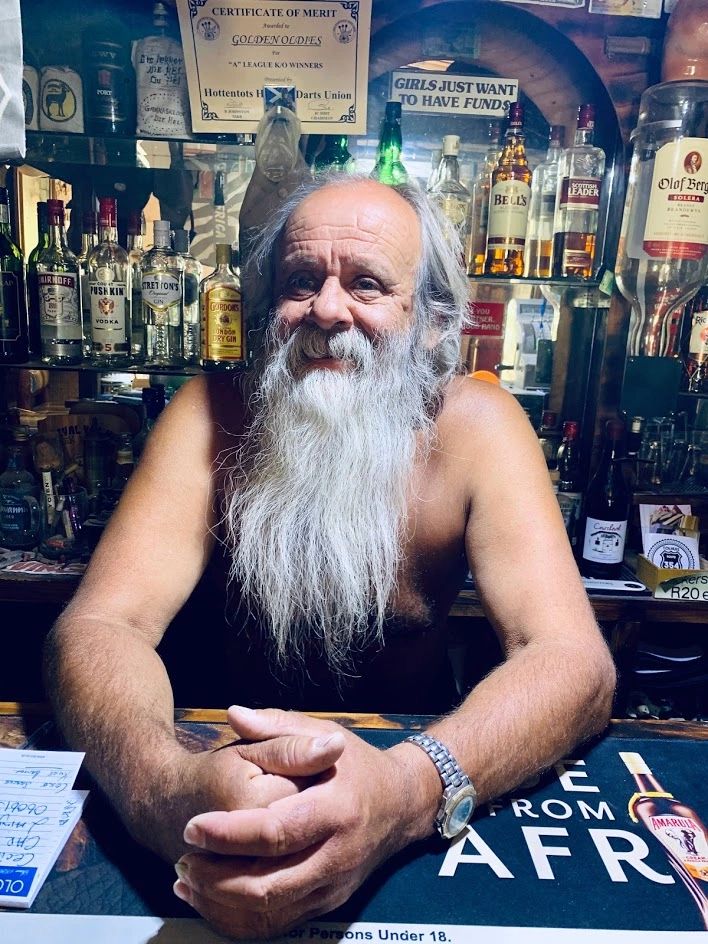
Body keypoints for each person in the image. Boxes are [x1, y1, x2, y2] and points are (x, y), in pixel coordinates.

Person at [44, 174, 616, 939]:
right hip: (218, 779)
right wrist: (163, 789)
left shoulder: (480, 427)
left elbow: (575, 662)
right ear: (266, 308)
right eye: (300, 281)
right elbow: (101, 624)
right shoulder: (209, 414)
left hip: (408, 785)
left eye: (369, 285)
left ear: (435, 323)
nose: (326, 310)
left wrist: (408, 791)